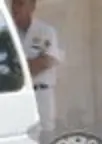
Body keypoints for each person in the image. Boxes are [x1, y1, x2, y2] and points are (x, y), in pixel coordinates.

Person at [10, 0, 62, 133]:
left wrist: (16, 70)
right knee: (19, 135)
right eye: (13, 3)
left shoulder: (45, 31)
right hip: (17, 96)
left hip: (41, 95)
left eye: (20, 3)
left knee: (45, 136)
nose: (15, 8)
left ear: (32, 6)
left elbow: (46, 61)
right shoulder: (8, 33)